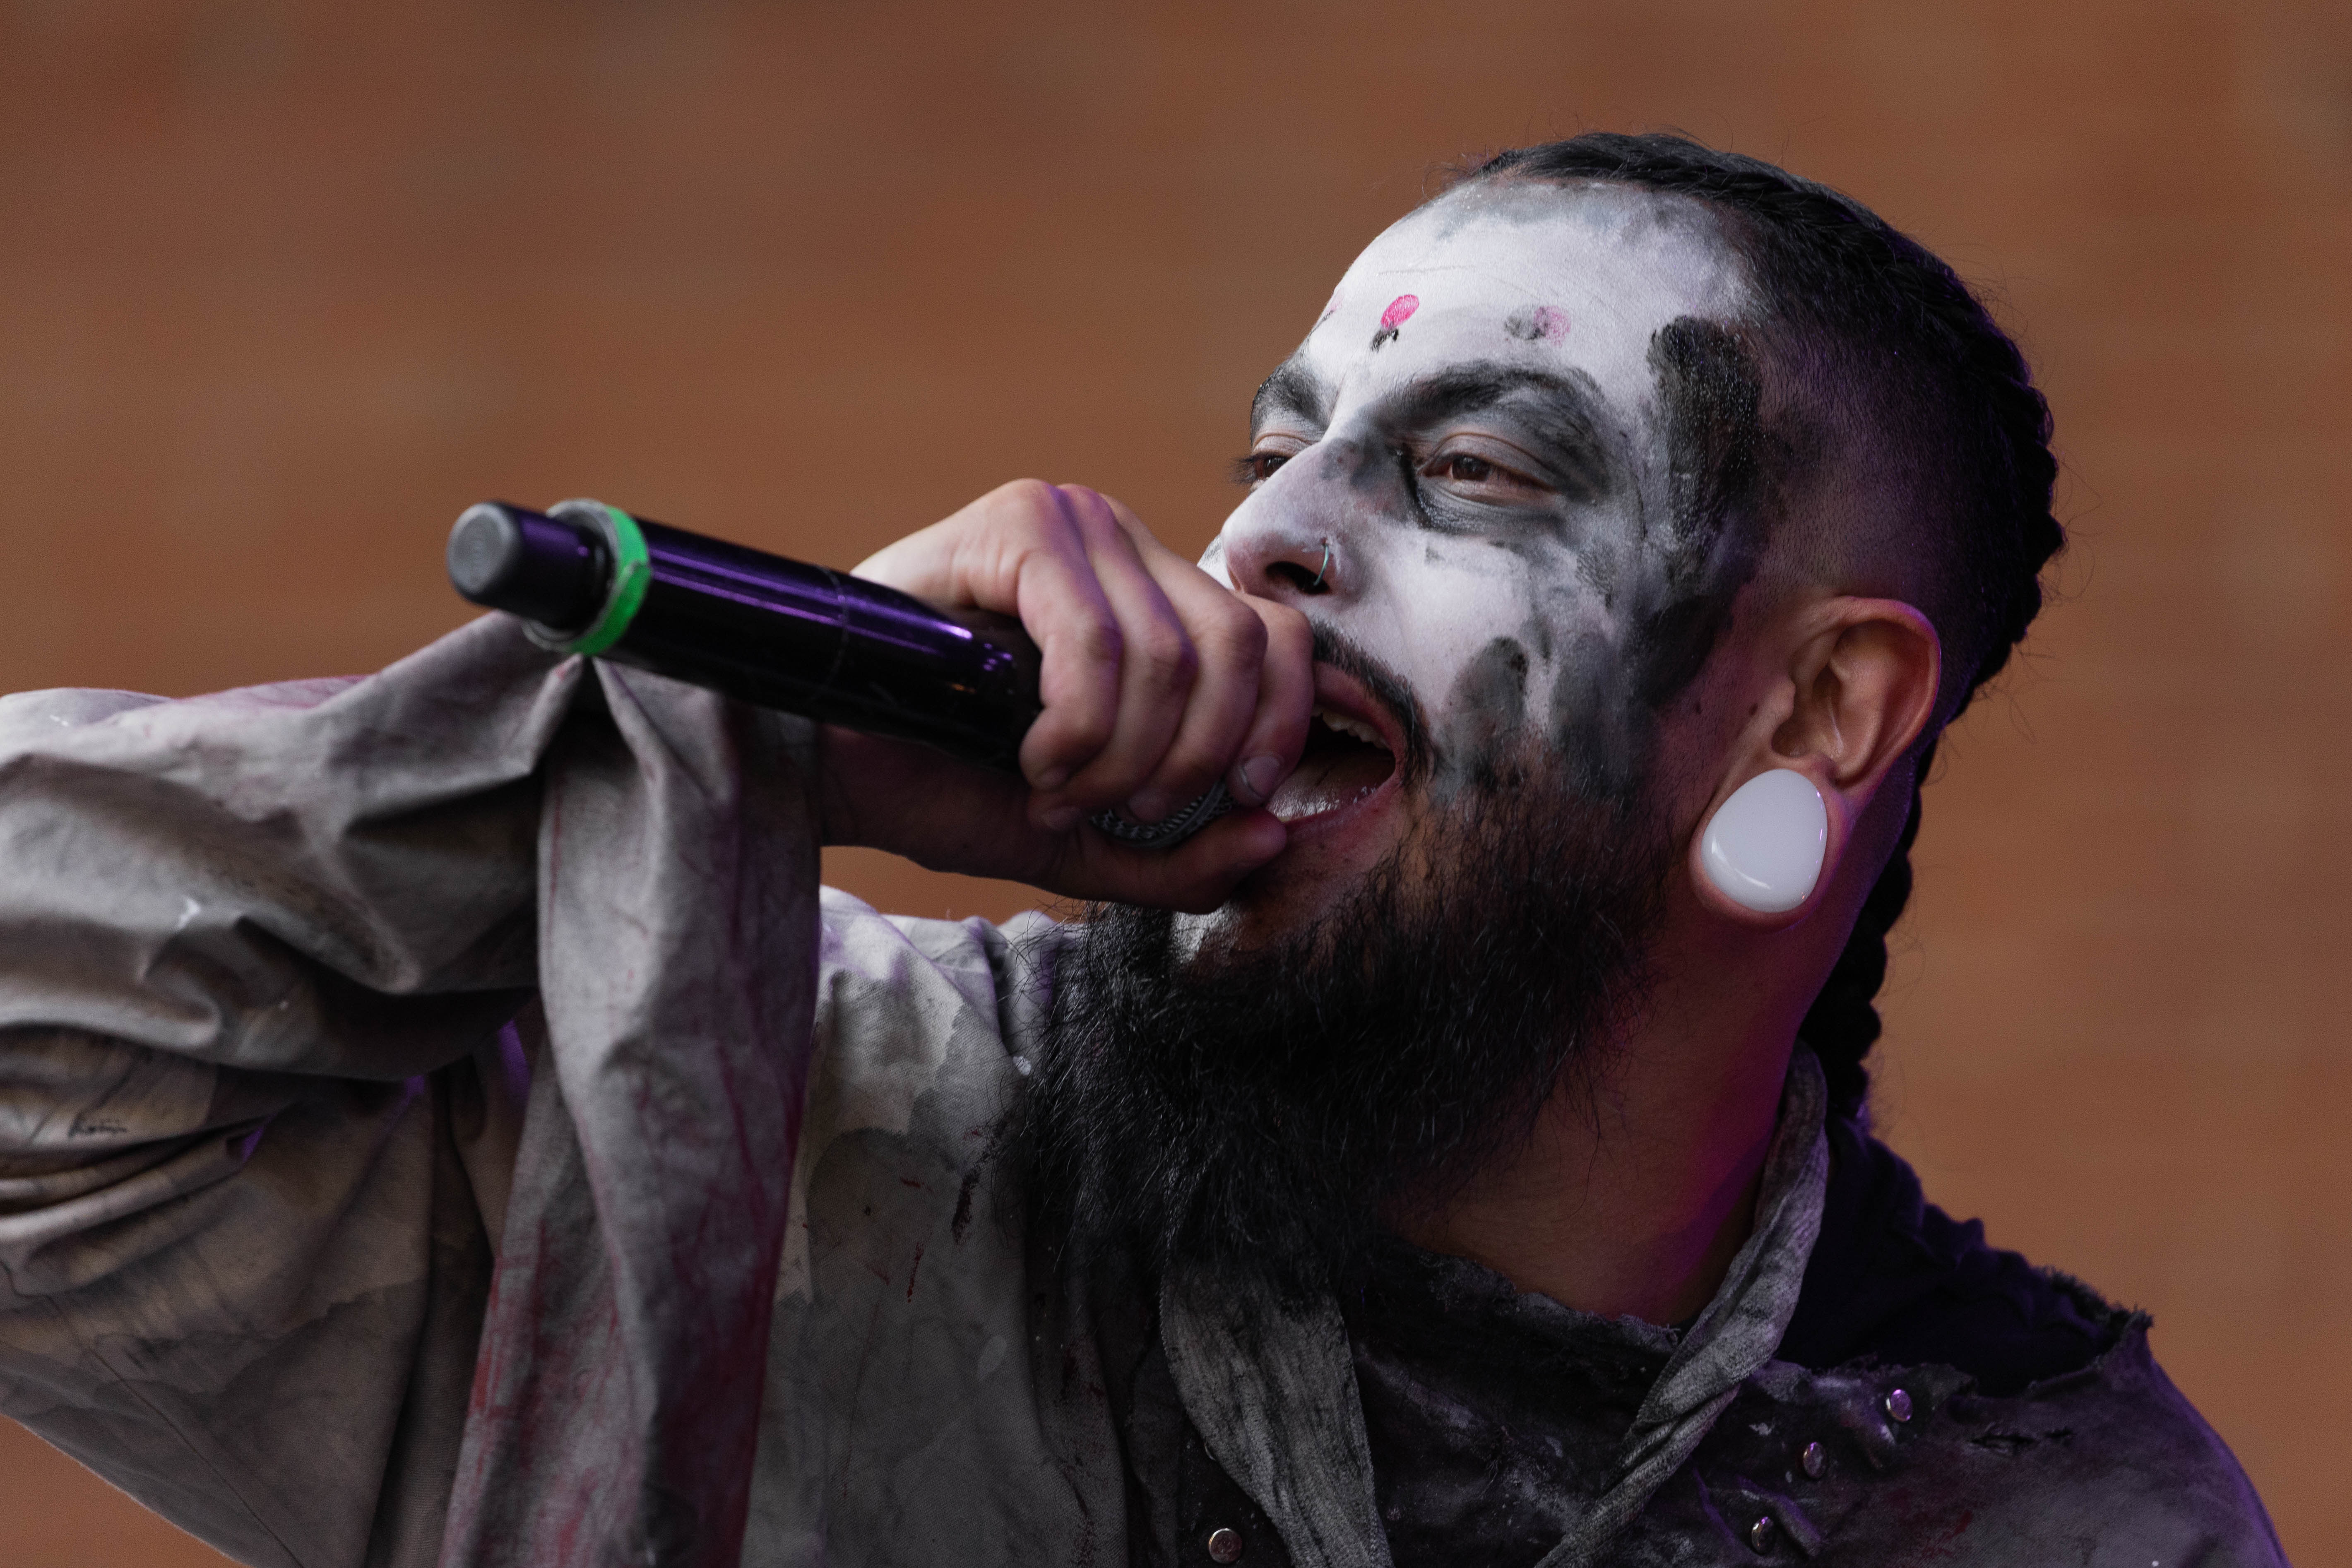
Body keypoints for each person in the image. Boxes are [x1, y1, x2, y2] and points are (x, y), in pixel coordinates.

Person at [0, 134, 2282, 1568]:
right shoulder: (778, 1129)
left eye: (1474, 474)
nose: (1264, 537)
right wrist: (700, 756)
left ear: (1815, 709)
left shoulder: (2052, 1510)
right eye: (1275, 451)